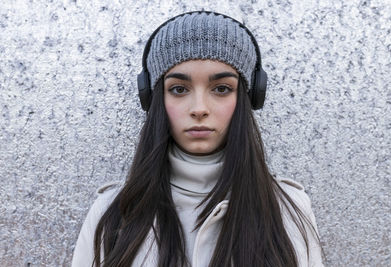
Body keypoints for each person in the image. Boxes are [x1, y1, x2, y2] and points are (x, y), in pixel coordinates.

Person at [72, 11, 323, 267]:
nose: (199, 108)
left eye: (221, 89)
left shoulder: (289, 210)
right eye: (179, 89)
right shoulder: (113, 214)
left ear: (248, 96)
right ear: (155, 98)